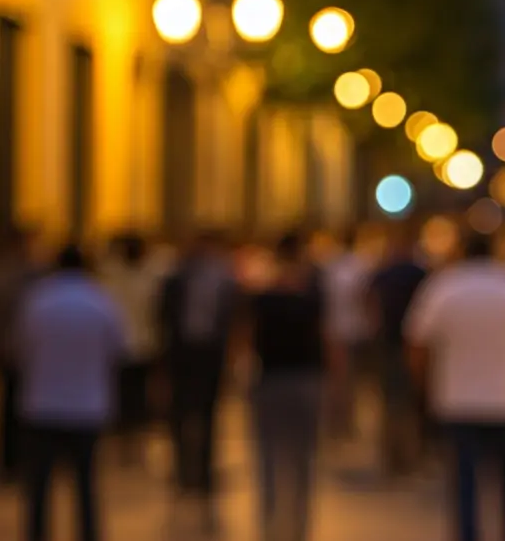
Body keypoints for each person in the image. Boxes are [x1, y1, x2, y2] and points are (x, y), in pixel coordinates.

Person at [406, 234, 505, 541]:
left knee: (464, 484)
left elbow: (417, 342)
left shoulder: (443, 287)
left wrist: (423, 387)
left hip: (458, 399)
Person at [17, 244, 128, 541]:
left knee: (39, 488)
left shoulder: (38, 301)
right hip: (87, 405)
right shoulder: (100, 302)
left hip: (42, 404)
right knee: (85, 486)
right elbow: (118, 349)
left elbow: (20, 348)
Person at [248, 232, 338, 541]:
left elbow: (247, 338)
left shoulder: (262, 296)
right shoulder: (312, 295)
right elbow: (326, 338)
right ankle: (299, 525)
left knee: (269, 457)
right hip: (304, 381)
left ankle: (271, 525)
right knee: (302, 459)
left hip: (271, 380)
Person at [158, 230, 240, 531]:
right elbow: (164, 320)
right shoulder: (175, 279)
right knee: (179, 416)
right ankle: (183, 472)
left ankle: (204, 473)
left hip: (210, 356)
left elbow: (232, 320)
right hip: (182, 355)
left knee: (208, 415)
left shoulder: (224, 281)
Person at [369, 225, 428, 477]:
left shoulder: (385, 272)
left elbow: (367, 297)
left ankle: (393, 457)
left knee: (392, 402)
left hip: (391, 341)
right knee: (407, 402)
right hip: (407, 342)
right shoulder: (419, 272)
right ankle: (406, 457)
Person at [101, 233, 163, 467]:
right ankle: (121, 444)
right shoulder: (110, 274)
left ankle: (136, 444)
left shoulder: (152, 273)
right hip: (117, 347)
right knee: (119, 397)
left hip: (143, 345)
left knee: (139, 397)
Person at [322, 229, 372, 441]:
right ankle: (343, 423)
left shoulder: (332, 267)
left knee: (341, 380)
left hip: (337, 330)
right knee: (348, 380)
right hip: (353, 330)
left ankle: (340, 423)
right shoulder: (360, 266)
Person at [0, 227, 36, 484]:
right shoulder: (19, 275)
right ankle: (15, 458)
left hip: (18, 346)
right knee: (17, 404)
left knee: (17, 403)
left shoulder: (29, 273)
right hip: (16, 347)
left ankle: (15, 458)